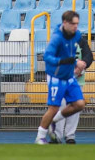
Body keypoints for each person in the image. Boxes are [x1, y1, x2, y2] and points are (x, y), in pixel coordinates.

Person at [35, 10, 86, 144]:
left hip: (69, 77)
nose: (76, 27)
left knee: (80, 104)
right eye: (73, 24)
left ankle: (54, 121)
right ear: (65, 23)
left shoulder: (77, 35)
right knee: (54, 108)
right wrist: (69, 62)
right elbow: (47, 57)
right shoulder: (57, 38)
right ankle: (40, 136)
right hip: (56, 77)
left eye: (77, 24)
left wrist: (78, 63)